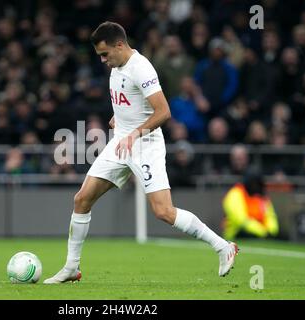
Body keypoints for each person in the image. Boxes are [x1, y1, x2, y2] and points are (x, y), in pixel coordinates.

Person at [44, 22, 239, 284]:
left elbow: (163, 112)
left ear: (120, 45)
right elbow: (130, 101)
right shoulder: (116, 66)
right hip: (120, 144)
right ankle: (71, 267)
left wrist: (135, 133)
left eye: (105, 54)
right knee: (82, 199)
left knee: (164, 212)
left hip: (145, 146)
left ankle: (223, 246)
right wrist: (118, 118)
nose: (103, 61)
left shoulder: (141, 68)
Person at [222, 170, 279, 240]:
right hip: (237, 235)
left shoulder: (261, 196)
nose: (258, 187)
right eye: (256, 184)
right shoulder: (235, 194)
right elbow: (241, 221)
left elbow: (270, 216)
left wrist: (271, 232)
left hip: (261, 236)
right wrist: (263, 232)